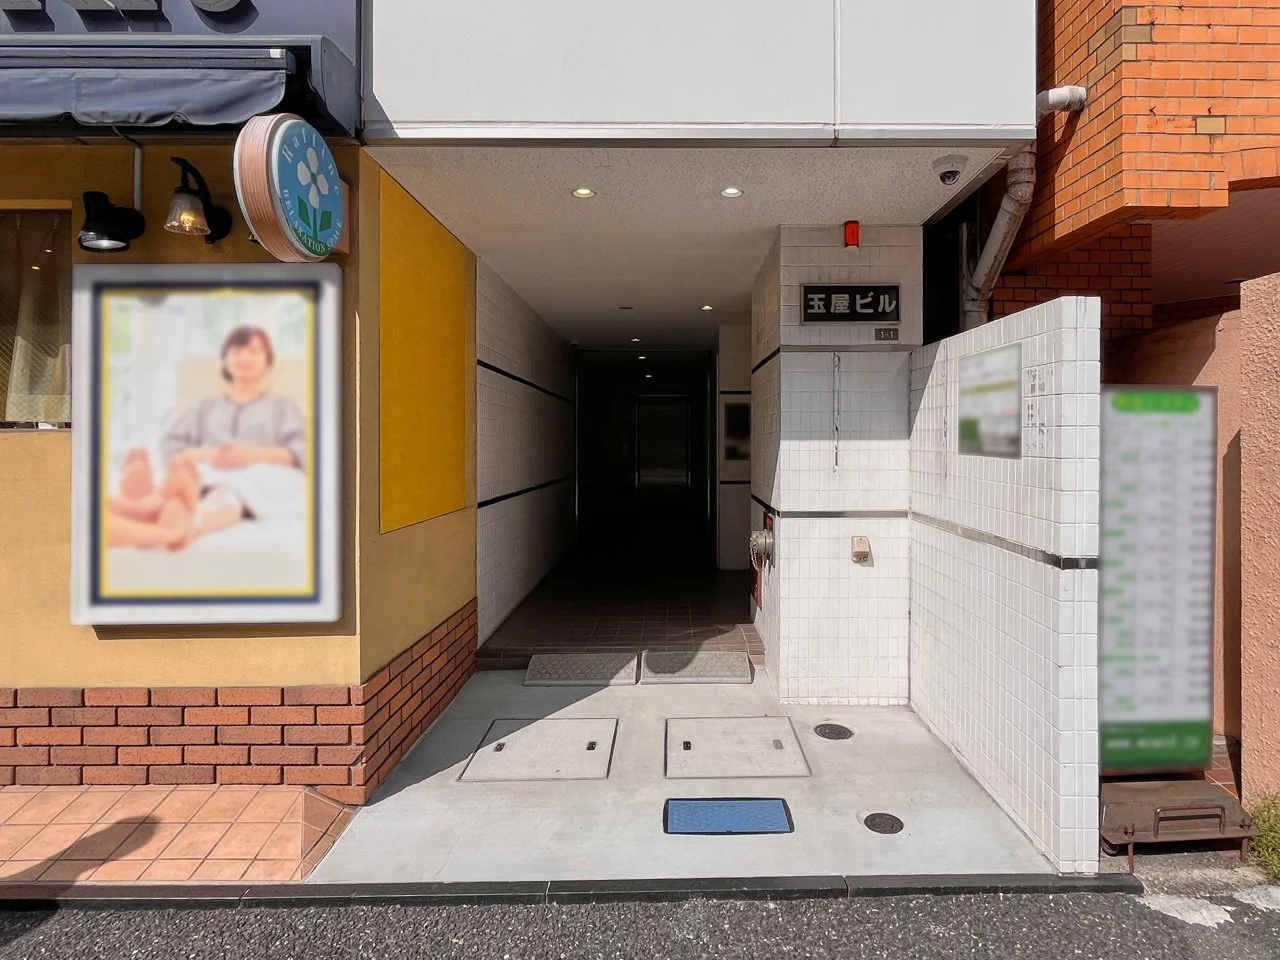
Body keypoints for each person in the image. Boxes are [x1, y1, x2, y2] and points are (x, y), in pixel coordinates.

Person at [105, 325, 307, 550]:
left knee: (230, 492)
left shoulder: (283, 406)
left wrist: (252, 454)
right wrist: (204, 453)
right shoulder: (206, 407)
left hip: (261, 473)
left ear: (268, 361)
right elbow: (172, 444)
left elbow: (304, 451)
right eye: (237, 351)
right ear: (225, 360)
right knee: (188, 479)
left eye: (253, 351)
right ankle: (155, 505)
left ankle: (192, 521)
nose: (244, 357)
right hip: (208, 470)